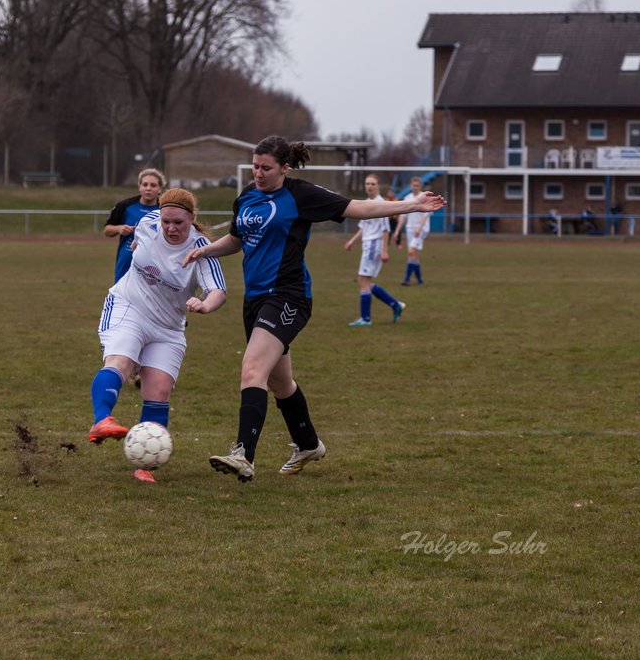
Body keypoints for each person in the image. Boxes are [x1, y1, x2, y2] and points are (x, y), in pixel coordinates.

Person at [182, 135, 445, 482]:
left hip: (288, 296)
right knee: (280, 383)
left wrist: (411, 205)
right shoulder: (246, 196)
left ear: (284, 168)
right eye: (255, 166)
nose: (258, 173)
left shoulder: (300, 195)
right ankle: (308, 444)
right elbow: (236, 239)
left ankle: (243, 454)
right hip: (256, 300)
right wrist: (206, 250)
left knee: (252, 370)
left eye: (266, 168)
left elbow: (357, 208)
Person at [87, 188, 227, 483]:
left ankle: (145, 465)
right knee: (121, 363)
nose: (171, 228)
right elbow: (138, 243)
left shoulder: (201, 250)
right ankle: (101, 420)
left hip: (168, 326)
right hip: (129, 307)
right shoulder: (147, 222)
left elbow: (218, 291)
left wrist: (204, 304)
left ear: (191, 218)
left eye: (178, 222)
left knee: (159, 389)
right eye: (166, 222)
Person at [342, 173, 405, 326]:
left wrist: (385, 250)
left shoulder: (381, 204)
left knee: (362, 280)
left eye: (372, 184)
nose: (369, 186)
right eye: (367, 184)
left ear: (378, 186)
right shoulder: (367, 203)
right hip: (367, 245)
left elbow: (385, 230)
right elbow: (363, 227)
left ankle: (366, 319)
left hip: (374, 246)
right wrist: (351, 241)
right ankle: (395, 304)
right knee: (365, 281)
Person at [103, 168, 165, 282]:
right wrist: (119, 228)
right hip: (126, 259)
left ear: (159, 188)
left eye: (153, 185)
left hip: (154, 260)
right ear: (139, 186)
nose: (148, 188)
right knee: (122, 295)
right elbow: (107, 230)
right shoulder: (125, 206)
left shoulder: (165, 208)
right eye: (145, 184)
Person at [396, 176, 432, 285]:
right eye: (413, 185)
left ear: (420, 186)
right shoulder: (408, 198)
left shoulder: (424, 197)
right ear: (410, 186)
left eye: (417, 185)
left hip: (420, 230)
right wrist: (397, 230)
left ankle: (406, 279)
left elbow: (426, 216)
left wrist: (419, 228)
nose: (415, 187)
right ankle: (420, 279)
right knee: (414, 255)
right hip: (410, 229)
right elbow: (403, 217)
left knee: (411, 252)